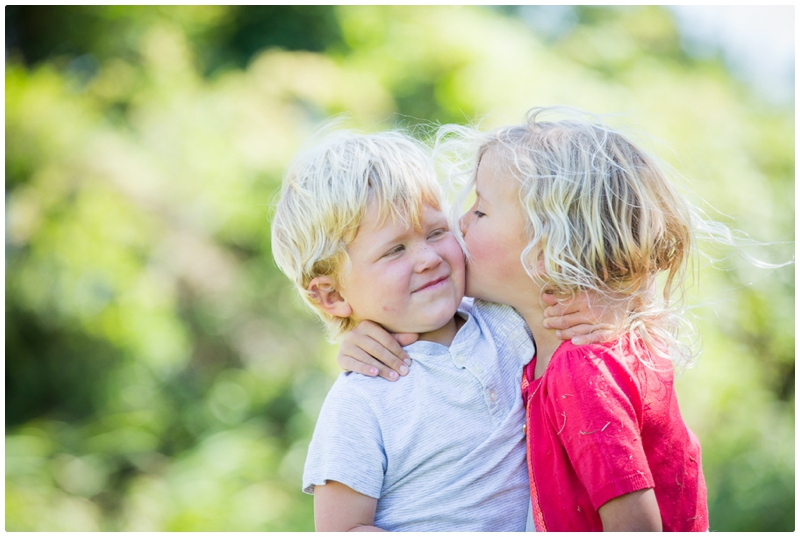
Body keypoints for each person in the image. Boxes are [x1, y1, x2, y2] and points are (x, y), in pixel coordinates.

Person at [339, 107, 710, 531]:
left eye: (479, 211)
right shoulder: (553, 334)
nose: (460, 223)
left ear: (545, 250)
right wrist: (363, 331)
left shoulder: (581, 368)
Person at [271, 130, 537, 531]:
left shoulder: (504, 318)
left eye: (436, 232)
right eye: (395, 250)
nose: (429, 258)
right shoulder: (362, 400)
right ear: (330, 296)